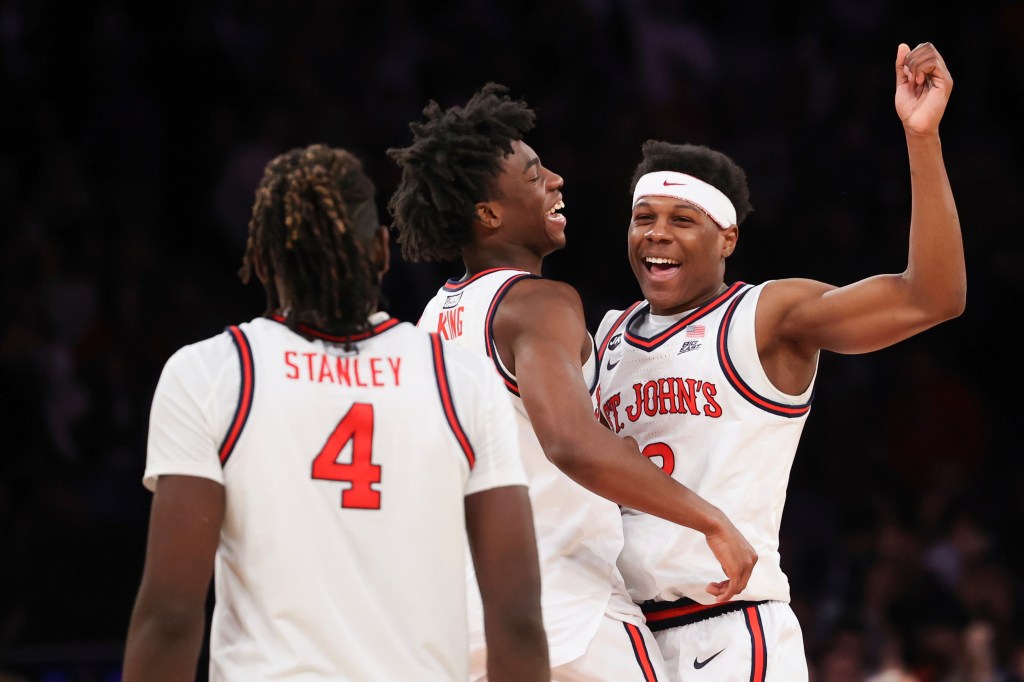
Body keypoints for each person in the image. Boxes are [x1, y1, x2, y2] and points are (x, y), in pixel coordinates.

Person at [594, 42, 964, 681]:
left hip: (729, 631)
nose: (656, 233)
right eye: (643, 217)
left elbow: (931, 296)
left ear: (727, 237)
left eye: (682, 219)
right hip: (622, 638)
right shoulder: (605, 338)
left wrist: (922, 137)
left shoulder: (766, 318)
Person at [122, 144, 549, 682]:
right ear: (380, 252)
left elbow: (170, 618)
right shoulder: (457, 378)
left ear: (260, 260)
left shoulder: (211, 372)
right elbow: (516, 621)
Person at [388, 84, 757, 681]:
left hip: (457, 614)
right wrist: (709, 518)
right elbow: (568, 441)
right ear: (488, 214)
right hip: (564, 609)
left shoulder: (435, 316)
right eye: (535, 177)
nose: (556, 179)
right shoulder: (537, 302)